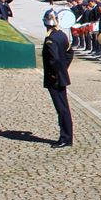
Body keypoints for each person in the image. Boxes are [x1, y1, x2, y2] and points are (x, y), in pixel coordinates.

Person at [41, 10, 73, 148]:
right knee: (63, 108)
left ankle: (65, 137)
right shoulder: (62, 35)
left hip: (55, 78)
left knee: (62, 109)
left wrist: (56, 74)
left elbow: (54, 60)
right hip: (61, 76)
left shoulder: (51, 39)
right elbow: (69, 53)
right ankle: (66, 136)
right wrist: (64, 69)